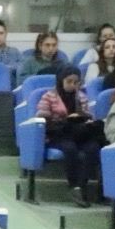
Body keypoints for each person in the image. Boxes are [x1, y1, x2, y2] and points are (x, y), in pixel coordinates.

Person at [36, 64, 108, 205]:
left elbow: (88, 116)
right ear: (61, 80)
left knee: (93, 148)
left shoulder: (81, 96)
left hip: (79, 133)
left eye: (76, 82)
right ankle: (74, 185)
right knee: (70, 149)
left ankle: (81, 187)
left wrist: (83, 117)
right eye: (69, 81)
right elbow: (42, 119)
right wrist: (64, 119)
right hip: (58, 134)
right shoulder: (49, 96)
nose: (72, 85)